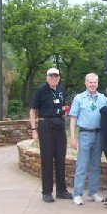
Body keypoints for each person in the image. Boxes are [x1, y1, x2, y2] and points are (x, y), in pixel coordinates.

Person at [29, 68, 72, 203]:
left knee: (60, 158)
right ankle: (47, 192)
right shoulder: (41, 91)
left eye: (56, 76)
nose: (54, 78)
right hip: (45, 125)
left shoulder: (61, 90)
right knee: (47, 159)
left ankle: (61, 190)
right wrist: (34, 129)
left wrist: (65, 109)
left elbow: (63, 106)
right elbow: (33, 110)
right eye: (51, 76)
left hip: (59, 125)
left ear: (59, 78)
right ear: (47, 77)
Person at [69, 73, 107, 205]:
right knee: (82, 165)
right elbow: (73, 118)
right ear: (85, 83)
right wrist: (73, 137)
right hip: (85, 134)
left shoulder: (103, 99)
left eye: (95, 82)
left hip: (99, 135)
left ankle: (93, 193)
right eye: (90, 82)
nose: (92, 84)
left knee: (95, 166)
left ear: (98, 83)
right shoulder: (79, 98)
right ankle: (77, 194)